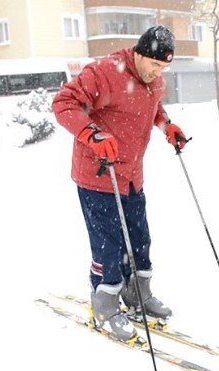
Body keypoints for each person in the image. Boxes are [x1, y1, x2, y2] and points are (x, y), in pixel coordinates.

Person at [52, 26, 188, 341]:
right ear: (139, 54)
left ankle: (138, 295)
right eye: (154, 64)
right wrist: (92, 134)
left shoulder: (152, 80)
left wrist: (166, 125)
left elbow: (152, 108)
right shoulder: (104, 72)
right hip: (98, 176)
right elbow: (63, 103)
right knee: (108, 244)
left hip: (131, 176)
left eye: (164, 67)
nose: (158, 73)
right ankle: (105, 305)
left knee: (140, 238)